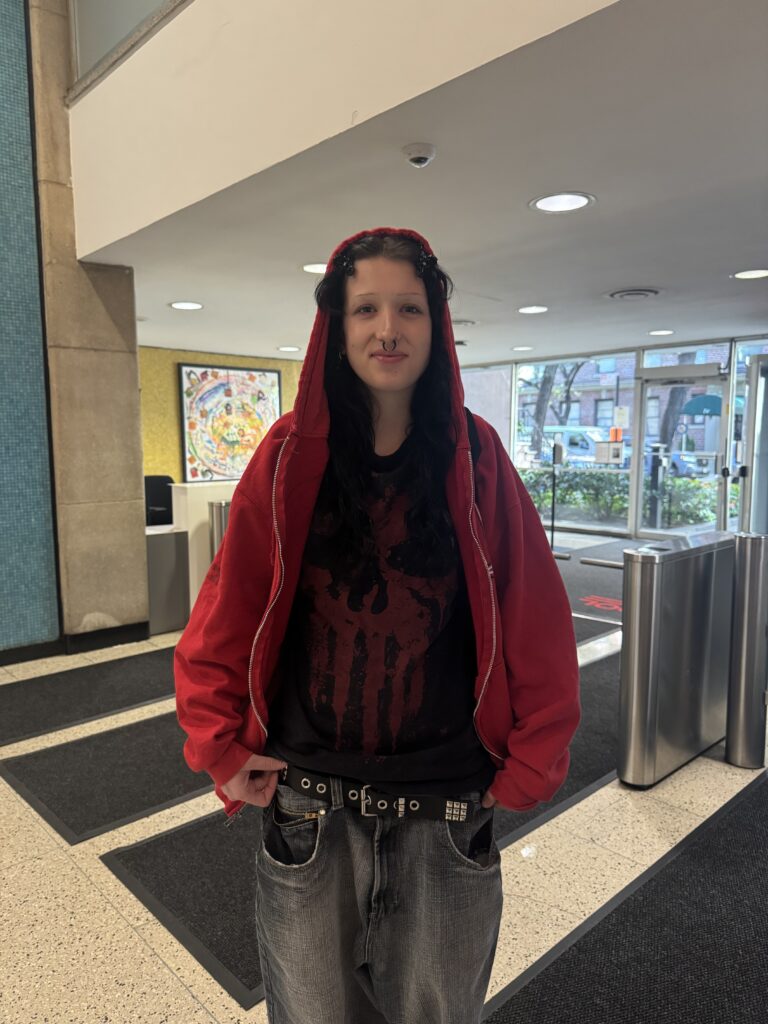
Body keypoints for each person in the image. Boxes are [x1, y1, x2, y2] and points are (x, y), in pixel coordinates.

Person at [174, 226, 580, 1023]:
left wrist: (535, 753)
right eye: (366, 309)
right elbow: (228, 609)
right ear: (336, 324)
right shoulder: (289, 457)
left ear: (437, 325)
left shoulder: (478, 457)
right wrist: (216, 745)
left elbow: (534, 610)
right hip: (310, 812)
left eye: (409, 309)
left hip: (447, 810)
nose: (387, 329)